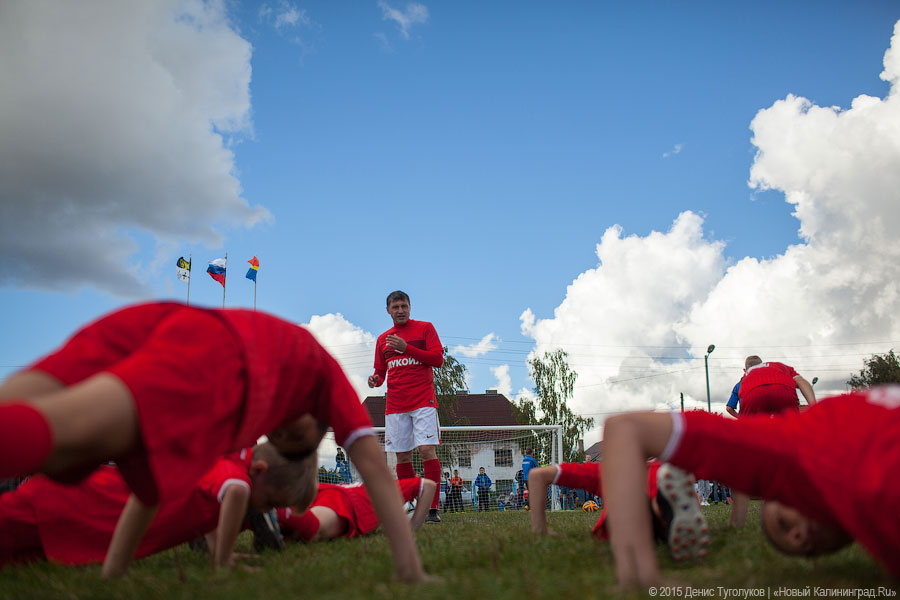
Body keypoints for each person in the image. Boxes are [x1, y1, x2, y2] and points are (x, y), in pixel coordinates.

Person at [0, 302, 430, 582]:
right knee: (62, 432)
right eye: (294, 434)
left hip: (169, 321)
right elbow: (374, 466)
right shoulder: (323, 377)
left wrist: (114, 573)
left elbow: (150, 491)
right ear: (323, 421)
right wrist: (411, 571)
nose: (278, 426)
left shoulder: (226, 430)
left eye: (280, 435)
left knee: (27, 404)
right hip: (214, 348)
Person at [600, 387, 900, 589]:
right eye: (810, 550)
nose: (800, 537)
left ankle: (660, 512)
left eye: (784, 523)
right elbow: (799, 382)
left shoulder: (802, 448)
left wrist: (639, 575)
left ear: (780, 488)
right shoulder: (837, 416)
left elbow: (625, 428)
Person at [0, 444, 316, 568]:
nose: (264, 512)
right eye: (270, 503)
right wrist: (221, 563)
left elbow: (206, 516)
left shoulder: (226, 467)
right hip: (71, 506)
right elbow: (234, 492)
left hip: (79, 517)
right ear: (258, 471)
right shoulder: (234, 473)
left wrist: (219, 548)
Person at [527, 461, 709, 563]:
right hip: (655, 493)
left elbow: (537, 475)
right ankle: (667, 512)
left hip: (634, 504)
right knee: (658, 490)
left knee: (643, 497)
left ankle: (663, 510)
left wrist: (539, 530)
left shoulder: (607, 470)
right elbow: (537, 476)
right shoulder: (610, 470)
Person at [368, 291, 444, 524]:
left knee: (426, 452)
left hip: (423, 402)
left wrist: (406, 347)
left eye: (404, 306)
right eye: (395, 307)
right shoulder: (383, 339)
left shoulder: (425, 328)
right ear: (388, 311)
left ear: (410, 307)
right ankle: (410, 506)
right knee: (402, 457)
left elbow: (437, 360)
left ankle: (432, 509)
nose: (400, 310)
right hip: (396, 405)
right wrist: (375, 380)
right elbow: (381, 372)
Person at [730, 355, 817, 528]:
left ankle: (737, 521)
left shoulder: (744, 378)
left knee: (743, 459)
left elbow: (732, 405)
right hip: (783, 390)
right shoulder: (781, 366)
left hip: (751, 394)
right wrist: (814, 406)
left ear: (745, 369)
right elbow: (803, 383)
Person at [277, 478, 437, 542]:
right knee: (313, 529)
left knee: (289, 526)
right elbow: (429, 485)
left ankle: (270, 513)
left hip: (323, 491)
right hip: (346, 503)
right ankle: (274, 515)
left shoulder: (366, 487)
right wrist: (412, 528)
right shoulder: (383, 492)